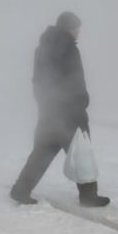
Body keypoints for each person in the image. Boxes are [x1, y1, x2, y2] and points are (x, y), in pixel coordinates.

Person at [10, 12, 110, 207]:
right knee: (81, 152)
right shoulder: (69, 49)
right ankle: (88, 196)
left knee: (42, 153)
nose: (78, 31)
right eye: (76, 28)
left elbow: (38, 81)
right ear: (68, 28)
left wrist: (45, 103)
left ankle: (20, 190)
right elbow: (75, 81)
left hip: (49, 111)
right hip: (70, 113)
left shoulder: (42, 48)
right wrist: (81, 101)